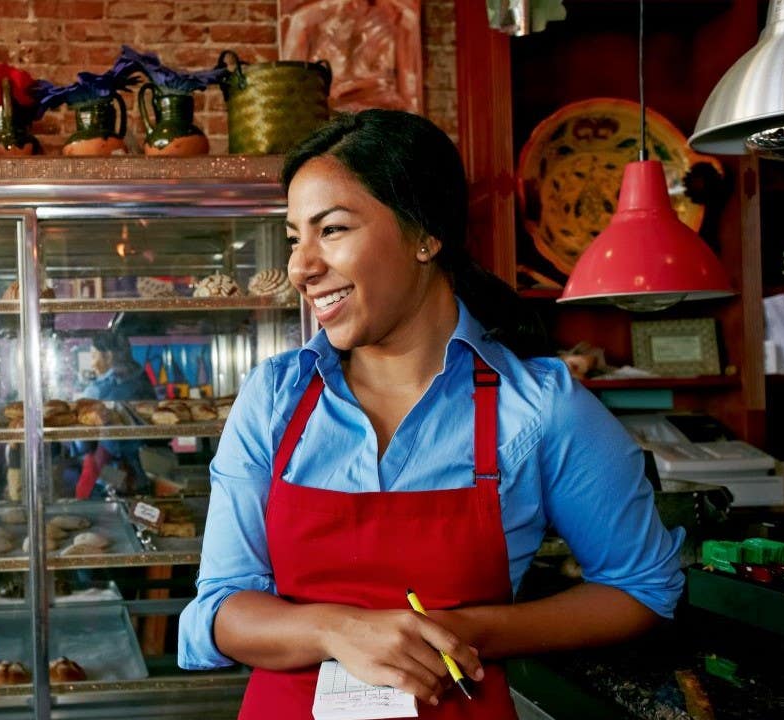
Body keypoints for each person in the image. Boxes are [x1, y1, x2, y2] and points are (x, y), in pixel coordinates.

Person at [177, 110, 684, 719]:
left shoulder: (541, 408)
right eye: (295, 238)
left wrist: (468, 630)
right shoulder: (275, 399)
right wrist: (336, 630)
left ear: (425, 235)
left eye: (331, 230)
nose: (300, 268)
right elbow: (221, 607)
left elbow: (643, 589)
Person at [74, 332, 156, 498]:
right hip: (141, 473)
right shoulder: (143, 381)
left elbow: (82, 445)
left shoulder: (97, 390)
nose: (92, 363)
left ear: (108, 356)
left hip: (108, 473)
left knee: (109, 517)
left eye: (93, 356)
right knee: (138, 517)